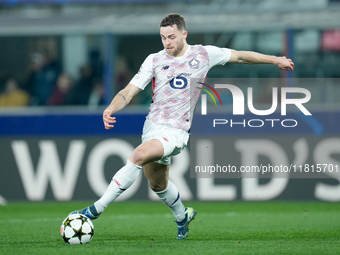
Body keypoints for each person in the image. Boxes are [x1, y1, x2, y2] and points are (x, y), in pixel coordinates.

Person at [71, 13, 294, 239]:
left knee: (138, 156)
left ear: (183, 34)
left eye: (172, 37)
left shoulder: (203, 54)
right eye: (163, 38)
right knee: (158, 185)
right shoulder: (154, 60)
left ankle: (95, 209)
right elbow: (129, 91)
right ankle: (182, 216)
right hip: (152, 128)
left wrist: (275, 59)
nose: (167, 43)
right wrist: (110, 108)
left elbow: (240, 56)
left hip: (176, 132)